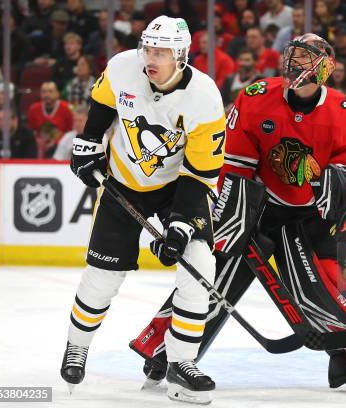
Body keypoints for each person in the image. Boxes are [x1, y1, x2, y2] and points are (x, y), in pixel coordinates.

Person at [133, 32, 346, 392]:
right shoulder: (256, 98)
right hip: (258, 207)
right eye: (291, 56)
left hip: (313, 217)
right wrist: (235, 219)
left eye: (304, 59)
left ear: (324, 69)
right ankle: (164, 351)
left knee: (326, 286)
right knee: (212, 273)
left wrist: (328, 183)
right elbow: (233, 165)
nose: (293, 64)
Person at [59, 16, 225, 405]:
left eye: (161, 51)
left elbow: (200, 172)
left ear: (181, 56)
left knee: (199, 264)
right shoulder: (122, 66)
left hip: (177, 189)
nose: (150, 57)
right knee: (102, 276)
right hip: (122, 182)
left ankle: (182, 364)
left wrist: (180, 227)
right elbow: (102, 104)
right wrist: (88, 144)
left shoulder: (204, 97)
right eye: (147, 48)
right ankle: (76, 346)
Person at [26, 81, 73, 155]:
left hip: (62, 147)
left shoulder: (68, 108)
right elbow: (31, 131)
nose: (47, 94)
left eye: (50, 91)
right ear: (40, 94)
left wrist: (58, 141)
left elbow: (72, 132)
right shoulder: (33, 109)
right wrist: (38, 141)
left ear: (57, 94)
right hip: (39, 148)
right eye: (44, 92)